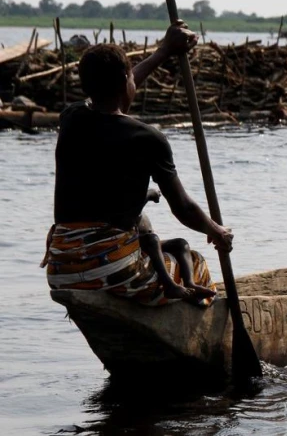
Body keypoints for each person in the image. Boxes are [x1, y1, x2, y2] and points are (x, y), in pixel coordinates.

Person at [41, 21, 233, 307]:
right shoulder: (147, 138)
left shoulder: (71, 118)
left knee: (145, 245)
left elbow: (117, 86)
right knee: (195, 264)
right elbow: (182, 207)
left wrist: (164, 52)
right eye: (131, 78)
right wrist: (216, 232)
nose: (135, 82)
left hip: (61, 267)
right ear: (125, 82)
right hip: (110, 268)